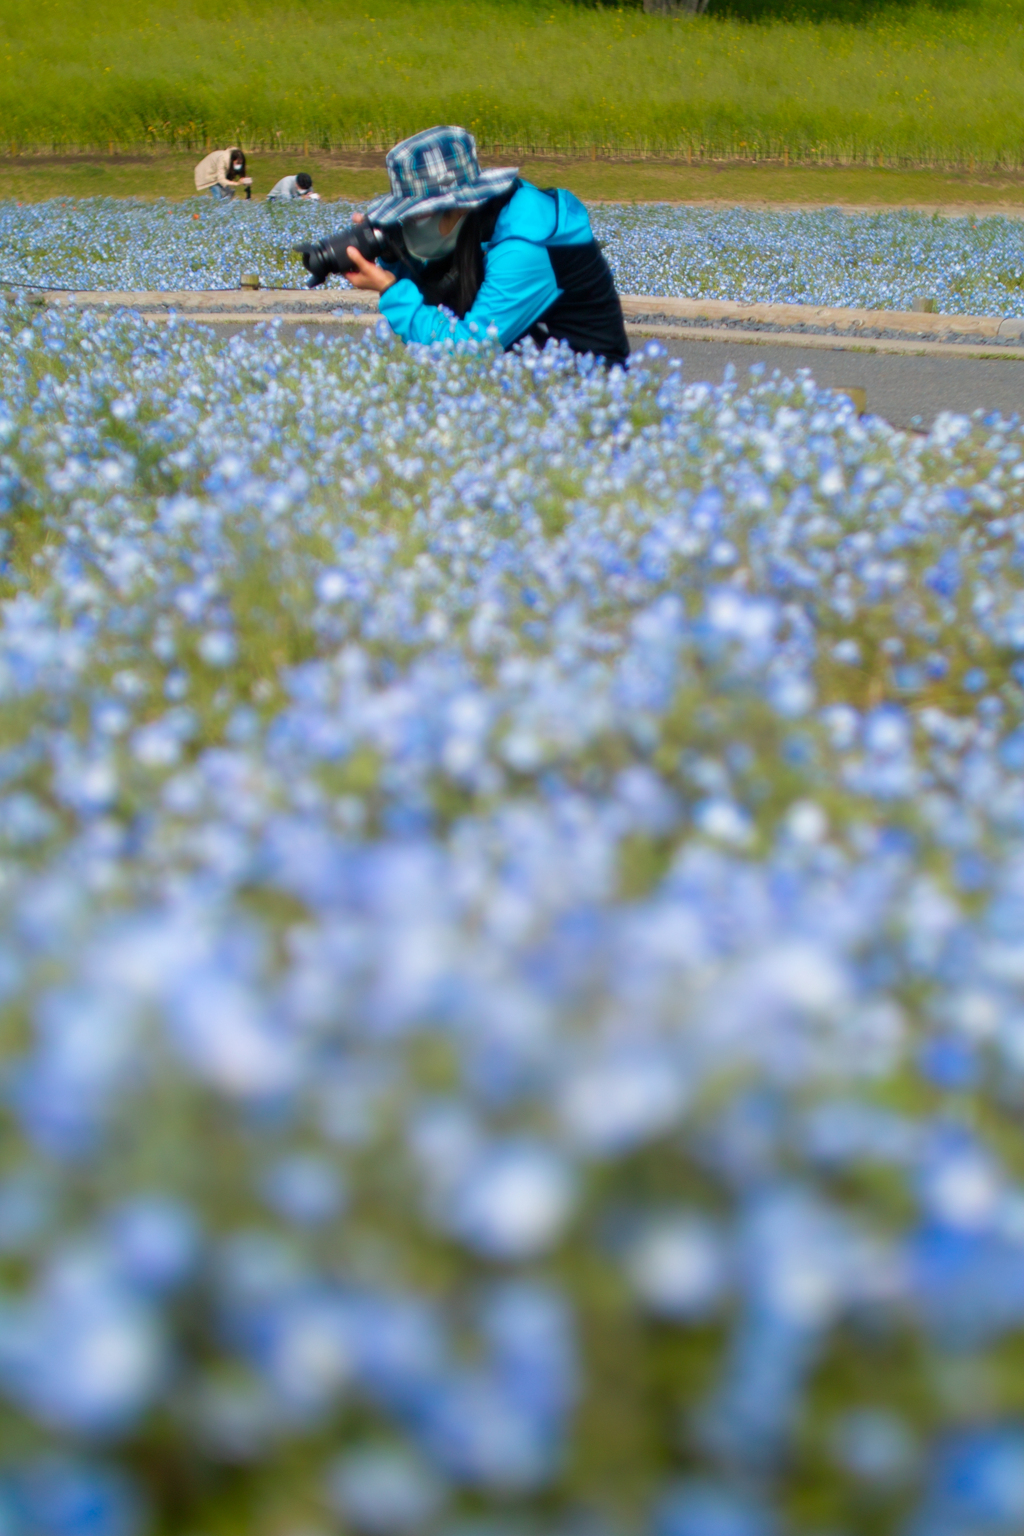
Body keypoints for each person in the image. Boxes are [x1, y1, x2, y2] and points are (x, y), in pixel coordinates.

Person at [342, 126, 628, 367]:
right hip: (526, 376)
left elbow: (467, 352)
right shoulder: (481, 220)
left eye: (415, 215)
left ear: (457, 206)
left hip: (589, 393)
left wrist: (391, 291)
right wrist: (393, 256)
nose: (409, 224)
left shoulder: (524, 245)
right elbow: (442, 305)